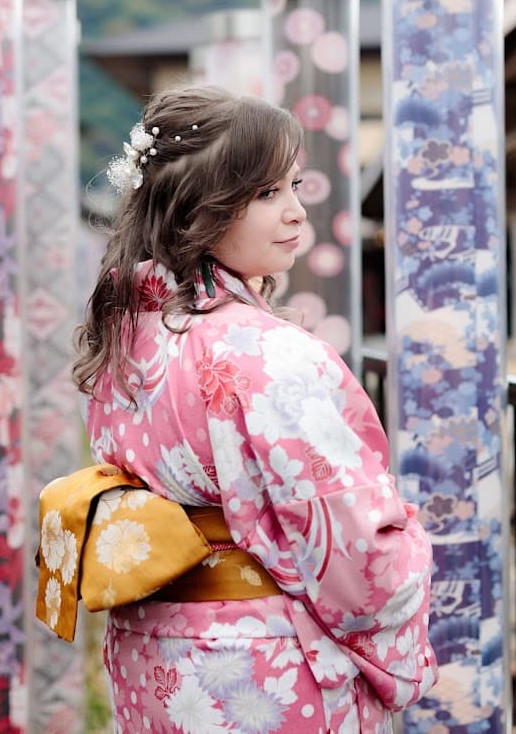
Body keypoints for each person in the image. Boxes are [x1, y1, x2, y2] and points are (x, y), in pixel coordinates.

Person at [70, 85, 437, 732]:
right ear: (197, 207)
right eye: (267, 194)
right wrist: (409, 553)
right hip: (261, 673)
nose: (297, 212)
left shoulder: (128, 336)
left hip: (151, 656)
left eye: (294, 187)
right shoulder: (272, 357)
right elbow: (353, 549)